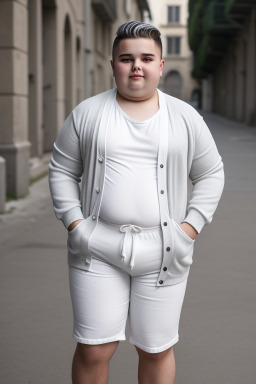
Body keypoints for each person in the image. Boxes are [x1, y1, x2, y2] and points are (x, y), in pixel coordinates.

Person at [49, 21, 224, 384]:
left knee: (155, 348)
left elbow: (211, 173)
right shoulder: (87, 113)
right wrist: (76, 225)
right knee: (94, 347)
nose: (136, 66)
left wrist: (189, 228)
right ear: (113, 64)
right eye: (126, 58)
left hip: (163, 250)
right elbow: (62, 170)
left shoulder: (186, 117)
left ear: (161, 65)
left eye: (146, 58)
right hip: (96, 247)